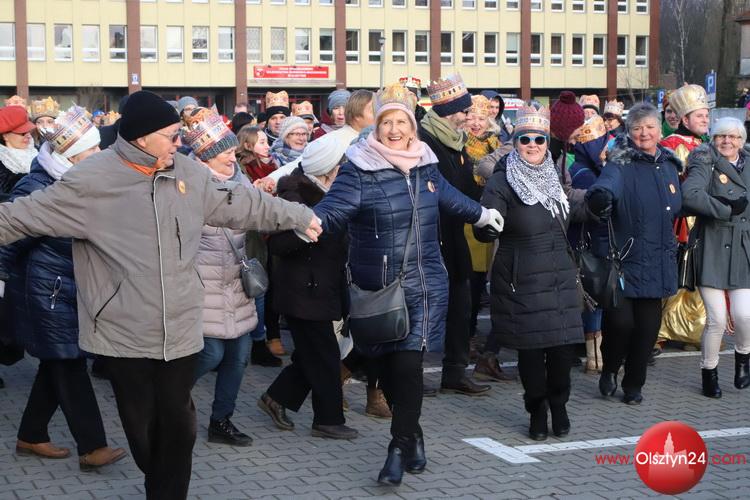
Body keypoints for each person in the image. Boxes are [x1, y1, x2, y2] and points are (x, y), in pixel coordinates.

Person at [0, 90, 321, 499]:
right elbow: (19, 217)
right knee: (144, 431)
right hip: (123, 332)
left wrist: (297, 215)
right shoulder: (91, 181)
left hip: (181, 326)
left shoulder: (186, 172)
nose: (178, 143)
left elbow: (238, 201)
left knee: (180, 427)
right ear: (141, 138)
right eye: (171, 136)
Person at [313, 82, 504, 486]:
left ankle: (398, 447)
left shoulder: (425, 163)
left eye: (401, 122)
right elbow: (331, 211)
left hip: (424, 284)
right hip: (378, 288)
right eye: (387, 122)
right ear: (377, 126)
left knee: (408, 366)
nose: (395, 130)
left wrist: (482, 214)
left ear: (412, 127)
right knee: (385, 368)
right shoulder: (359, 168)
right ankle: (413, 434)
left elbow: (447, 196)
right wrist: (304, 222)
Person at [0, 106, 127, 469]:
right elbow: (9, 238)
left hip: (71, 287)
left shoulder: (84, 182)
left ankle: (31, 434)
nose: (100, 154)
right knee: (69, 363)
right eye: (92, 149)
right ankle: (93, 446)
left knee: (57, 362)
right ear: (72, 154)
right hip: (45, 291)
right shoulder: (38, 185)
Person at [475, 103, 584, 441]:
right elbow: (488, 216)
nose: (533, 145)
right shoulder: (501, 181)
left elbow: (572, 208)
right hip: (522, 279)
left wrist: (596, 205)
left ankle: (560, 405)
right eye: (525, 139)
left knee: (562, 354)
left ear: (547, 142)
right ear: (516, 142)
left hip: (560, 277)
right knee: (532, 356)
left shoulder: (555, 175)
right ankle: (537, 410)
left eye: (539, 139)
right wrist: (487, 227)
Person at [258, 133, 358, 440]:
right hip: (303, 290)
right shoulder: (294, 196)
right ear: (329, 169)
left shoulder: (331, 192)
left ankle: (276, 397)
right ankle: (328, 420)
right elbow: (277, 244)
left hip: (324, 286)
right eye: (343, 164)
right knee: (325, 356)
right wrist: (308, 232)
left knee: (312, 354)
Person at [587, 103, 682, 405]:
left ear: (659, 130)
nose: (644, 133)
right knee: (620, 324)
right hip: (624, 259)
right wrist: (600, 197)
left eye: (650, 127)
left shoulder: (669, 165)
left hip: (657, 259)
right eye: (638, 128)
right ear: (629, 132)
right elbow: (604, 186)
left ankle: (634, 384)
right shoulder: (620, 163)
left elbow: (679, 202)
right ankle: (610, 368)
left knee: (647, 331)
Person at [183, 108, 260, 446]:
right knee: (211, 354)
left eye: (233, 151)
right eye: (226, 153)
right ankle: (167, 396)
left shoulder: (240, 181)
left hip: (236, 283)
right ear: (207, 156)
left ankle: (221, 422)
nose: (233, 157)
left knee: (238, 357)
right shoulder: (187, 186)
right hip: (204, 286)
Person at [419, 74, 491, 396]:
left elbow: (466, 187)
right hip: (429, 238)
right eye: (464, 110)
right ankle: (412, 374)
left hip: (454, 236)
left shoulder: (457, 142)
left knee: (460, 307)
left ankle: (455, 373)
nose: (468, 116)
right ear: (450, 111)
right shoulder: (424, 141)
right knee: (426, 311)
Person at [681, 117, 750, 398]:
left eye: (733, 137)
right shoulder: (704, 160)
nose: (727, 141)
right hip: (710, 245)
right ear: (714, 138)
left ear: (742, 141)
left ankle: (743, 359)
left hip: (743, 247)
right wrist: (725, 209)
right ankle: (709, 372)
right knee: (717, 319)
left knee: (744, 315)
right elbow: (690, 195)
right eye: (722, 136)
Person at [462, 95, 514, 382]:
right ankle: (467, 338)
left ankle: (478, 341)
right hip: (467, 219)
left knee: (483, 283)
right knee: (469, 284)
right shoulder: (460, 144)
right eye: (471, 117)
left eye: (481, 118)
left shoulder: (497, 145)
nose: (476, 123)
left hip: (493, 219)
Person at [659, 84, 712, 352]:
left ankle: (689, 331)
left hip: (702, 219)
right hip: (681, 220)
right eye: (699, 115)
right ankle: (661, 329)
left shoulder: (704, 145)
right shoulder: (671, 146)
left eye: (707, 115)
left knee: (694, 279)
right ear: (685, 119)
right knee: (679, 273)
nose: (705, 120)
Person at [568, 116, 610, 373]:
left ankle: (594, 355)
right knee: (593, 298)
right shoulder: (585, 174)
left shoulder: (579, 168)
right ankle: (595, 357)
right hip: (588, 244)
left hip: (584, 242)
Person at [0, 106, 37, 198]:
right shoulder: (3, 162)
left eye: (29, 131)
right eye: (22, 133)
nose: (28, 136)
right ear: (5, 136)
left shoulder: (38, 150)